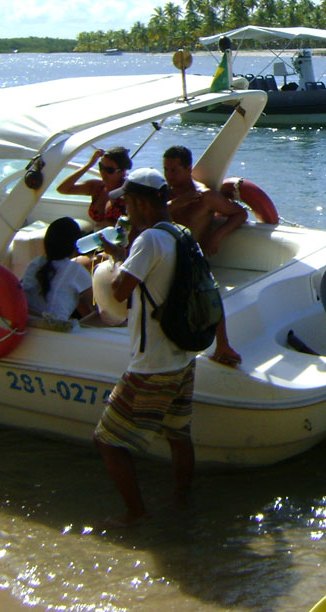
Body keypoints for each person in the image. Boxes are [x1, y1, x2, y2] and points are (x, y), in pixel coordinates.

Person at [92, 168, 238, 528]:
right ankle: (181, 500)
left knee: (108, 441)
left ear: (140, 202)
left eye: (127, 203)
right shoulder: (182, 235)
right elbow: (208, 291)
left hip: (152, 363)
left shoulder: (148, 241)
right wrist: (222, 344)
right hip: (183, 358)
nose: (125, 210)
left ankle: (135, 514)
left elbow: (119, 292)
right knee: (177, 433)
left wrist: (116, 261)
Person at [161, 145, 246, 257]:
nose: (168, 175)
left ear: (188, 169)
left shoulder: (205, 196)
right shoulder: (164, 193)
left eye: (174, 170)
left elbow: (240, 213)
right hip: (162, 254)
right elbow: (149, 218)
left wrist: (217, 236)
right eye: (166, 170)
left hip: (188, 258)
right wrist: (176, 203)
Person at [20, 217, 93, 320]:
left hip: (27, 322)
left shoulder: (36, 262)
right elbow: (98, 308)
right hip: (54, 326)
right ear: (75, 244)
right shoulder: (75, 270)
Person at [58, 147, 131, 228]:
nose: (102, 172)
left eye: (109, 170)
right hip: (97, 234)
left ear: (122, 171)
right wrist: (89, 165)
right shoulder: (97, 187)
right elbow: (63, 189)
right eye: (101, 167)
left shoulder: (129, 192)